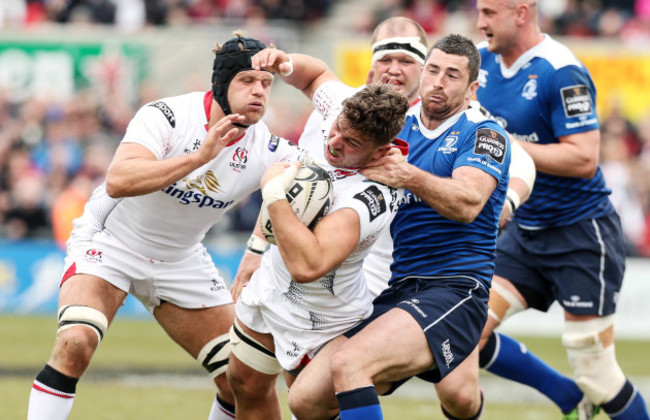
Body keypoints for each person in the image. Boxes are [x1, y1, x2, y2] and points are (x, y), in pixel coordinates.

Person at [27, 32, 302, 420]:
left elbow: (299, 188)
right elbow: (120, 179)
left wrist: (258, 248)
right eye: (247, 81)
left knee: (241, 378)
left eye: (266, 84)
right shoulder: (167, 115)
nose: (258, 92)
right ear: (221, 84)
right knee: (76, 340)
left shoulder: (267, 147)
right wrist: (199, 156)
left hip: (180, 258)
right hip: (111, 242)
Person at [287, 33, 511, 420]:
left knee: (353, 366)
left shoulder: (484, 133)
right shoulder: (396, 127)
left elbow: (468, 203)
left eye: (453, 75)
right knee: (305, 398)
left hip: (456, 290)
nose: (439, 81)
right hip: (401, 288)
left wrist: (409, 176)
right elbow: (329, 102)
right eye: (434, 70)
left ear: (473, 87)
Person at [475, 1, 650, 419]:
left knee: (596, 371)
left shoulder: (561, 69)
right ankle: (567, 396)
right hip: (525, 230)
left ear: (520, 12)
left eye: (488, 13)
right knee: (464, 333)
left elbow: (583, 158)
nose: (479, 23)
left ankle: (585, 391)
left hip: (580, 232)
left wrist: (506, 144)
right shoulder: (479, 65)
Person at [226, 51, 410, 418]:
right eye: (337, 127)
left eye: (352, 143)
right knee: (242, 384)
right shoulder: (345, 108)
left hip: (324, 319)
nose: (335, 141)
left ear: (380, 152)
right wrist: (284, 64)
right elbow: (315, 77)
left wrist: (273, 192)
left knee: (306, 406)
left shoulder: (375, 194)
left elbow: (308, 264)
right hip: (270, 289)